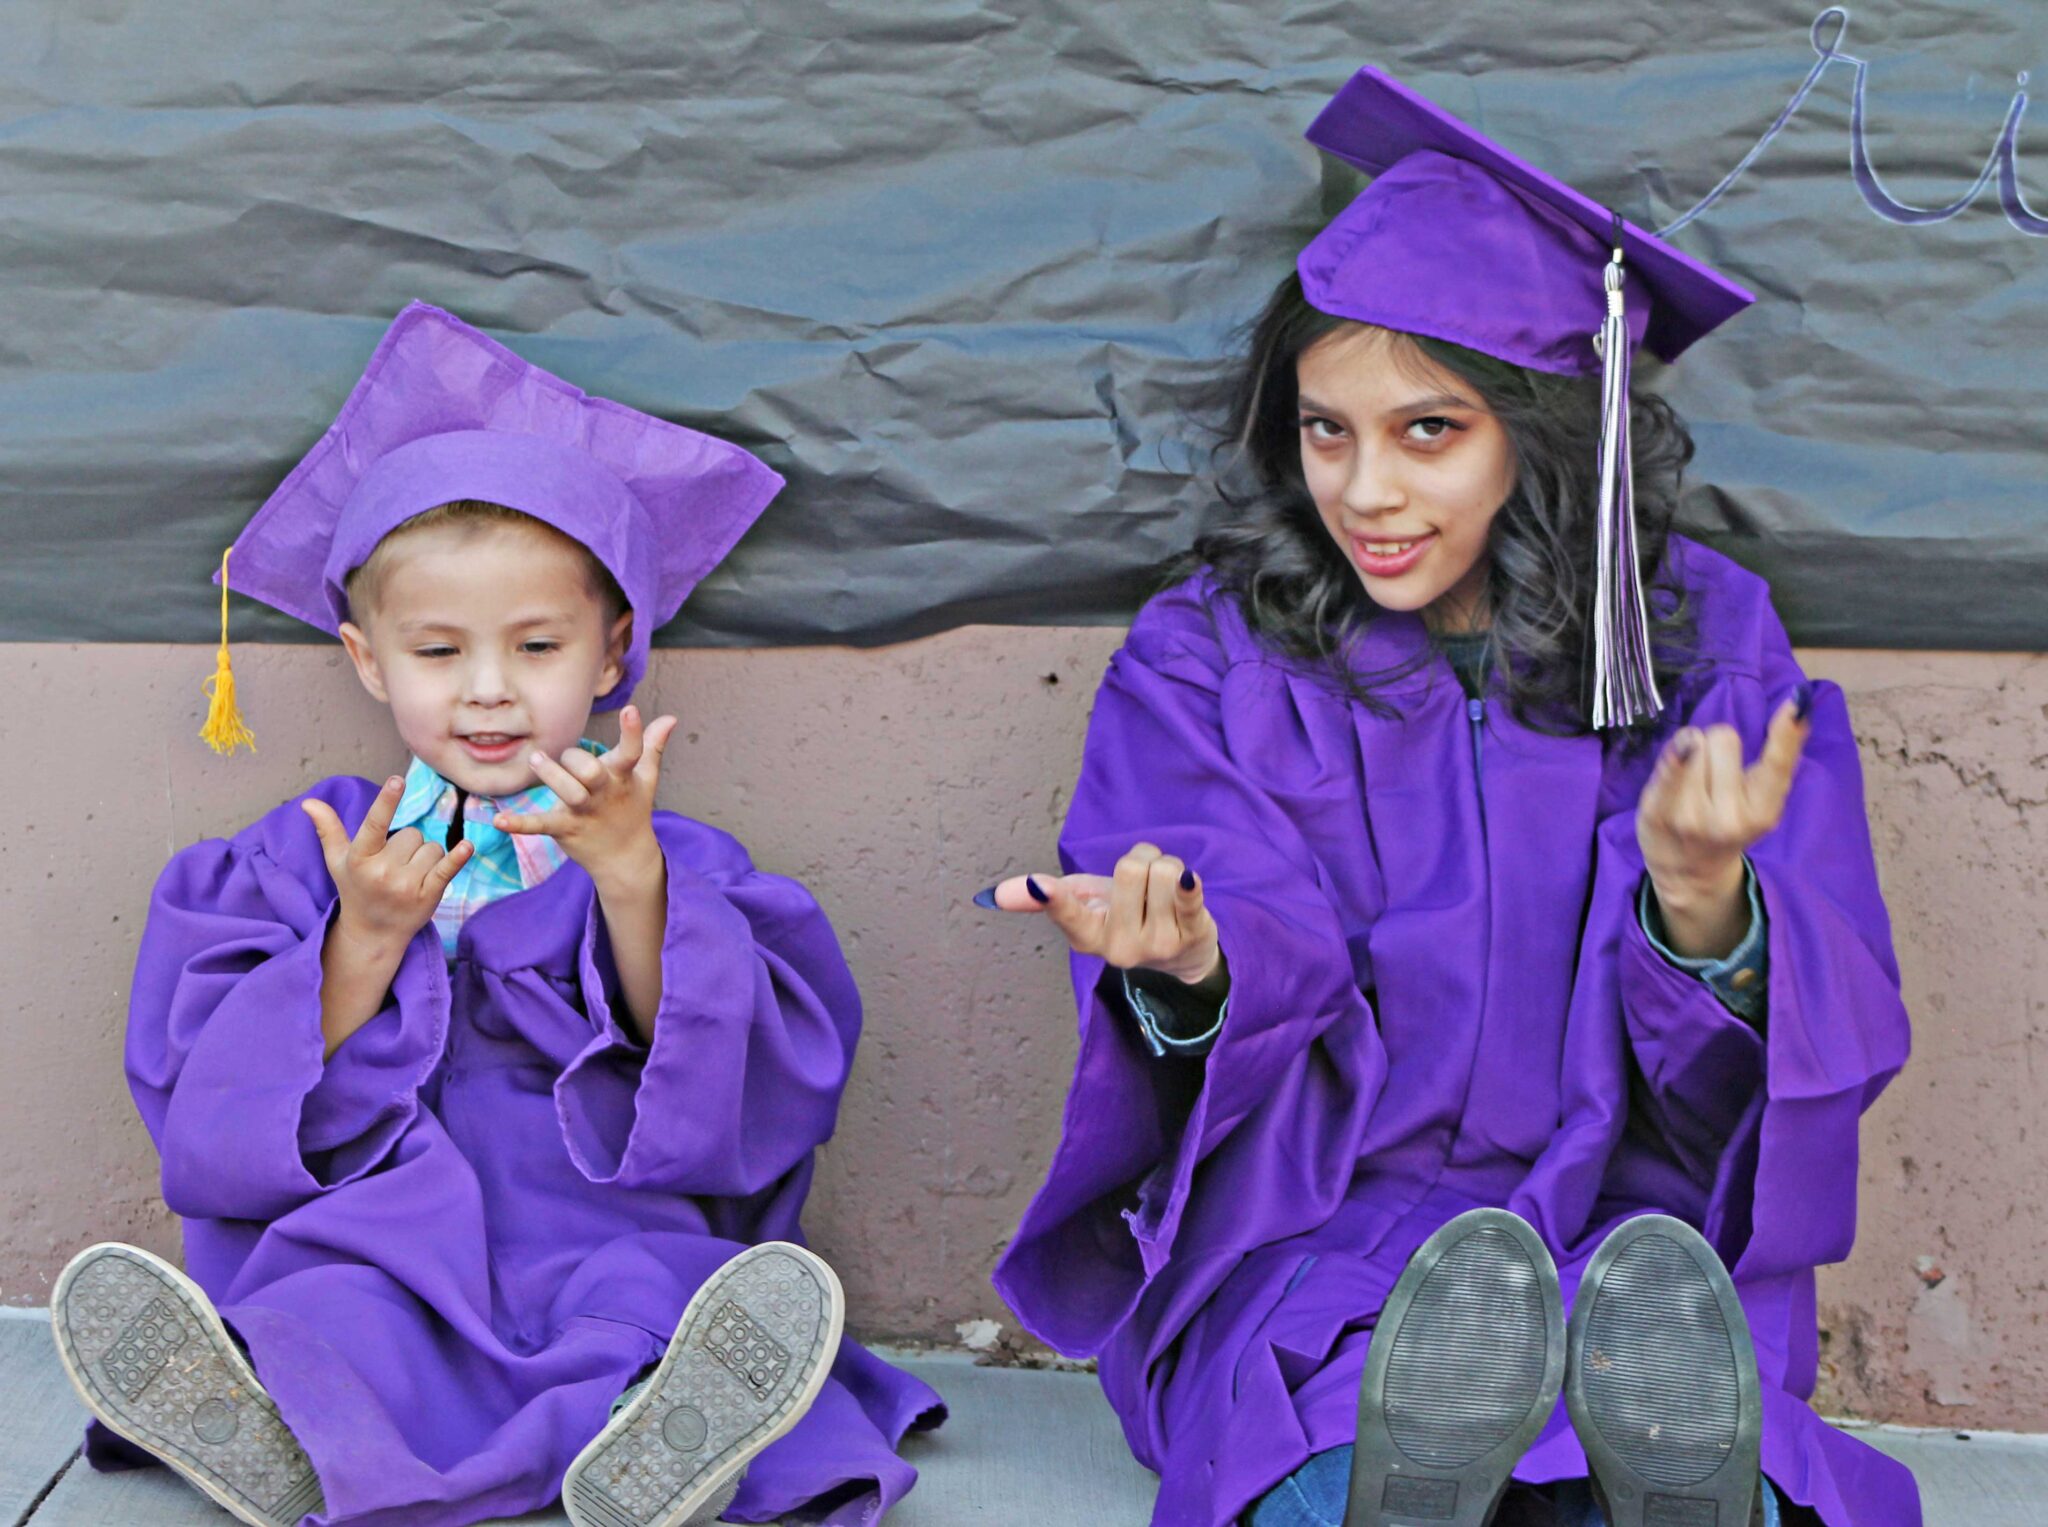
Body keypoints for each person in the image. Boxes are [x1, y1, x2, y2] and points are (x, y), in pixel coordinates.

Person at [979, 65, 1915, 1527]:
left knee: (1648, 1389)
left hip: (1626, 1232)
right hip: (1325, 1218)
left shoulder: (1703, 645)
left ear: (1541, 433)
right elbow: (1234, 890)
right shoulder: (1210, 654)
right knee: (1323, 1416)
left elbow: (1784, 1054)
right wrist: (1192, 959)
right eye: (1324, 428)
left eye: (1430, 429)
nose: (1363, 490)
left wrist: (1702, 902)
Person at [50, 301, 943, 1527]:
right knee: (331, 1310)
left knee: (645, 1294)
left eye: (535, 645)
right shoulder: (302, 855)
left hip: (591, 1204)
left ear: (612, 649)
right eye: (436, 651)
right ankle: (265, 1417)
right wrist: (360, 937)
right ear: (366, 661)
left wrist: (630, 880)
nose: (487, 691)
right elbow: (207, 1103)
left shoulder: (672, 857)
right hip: (384, 1215)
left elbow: (745, 1096)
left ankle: (669, 1423)